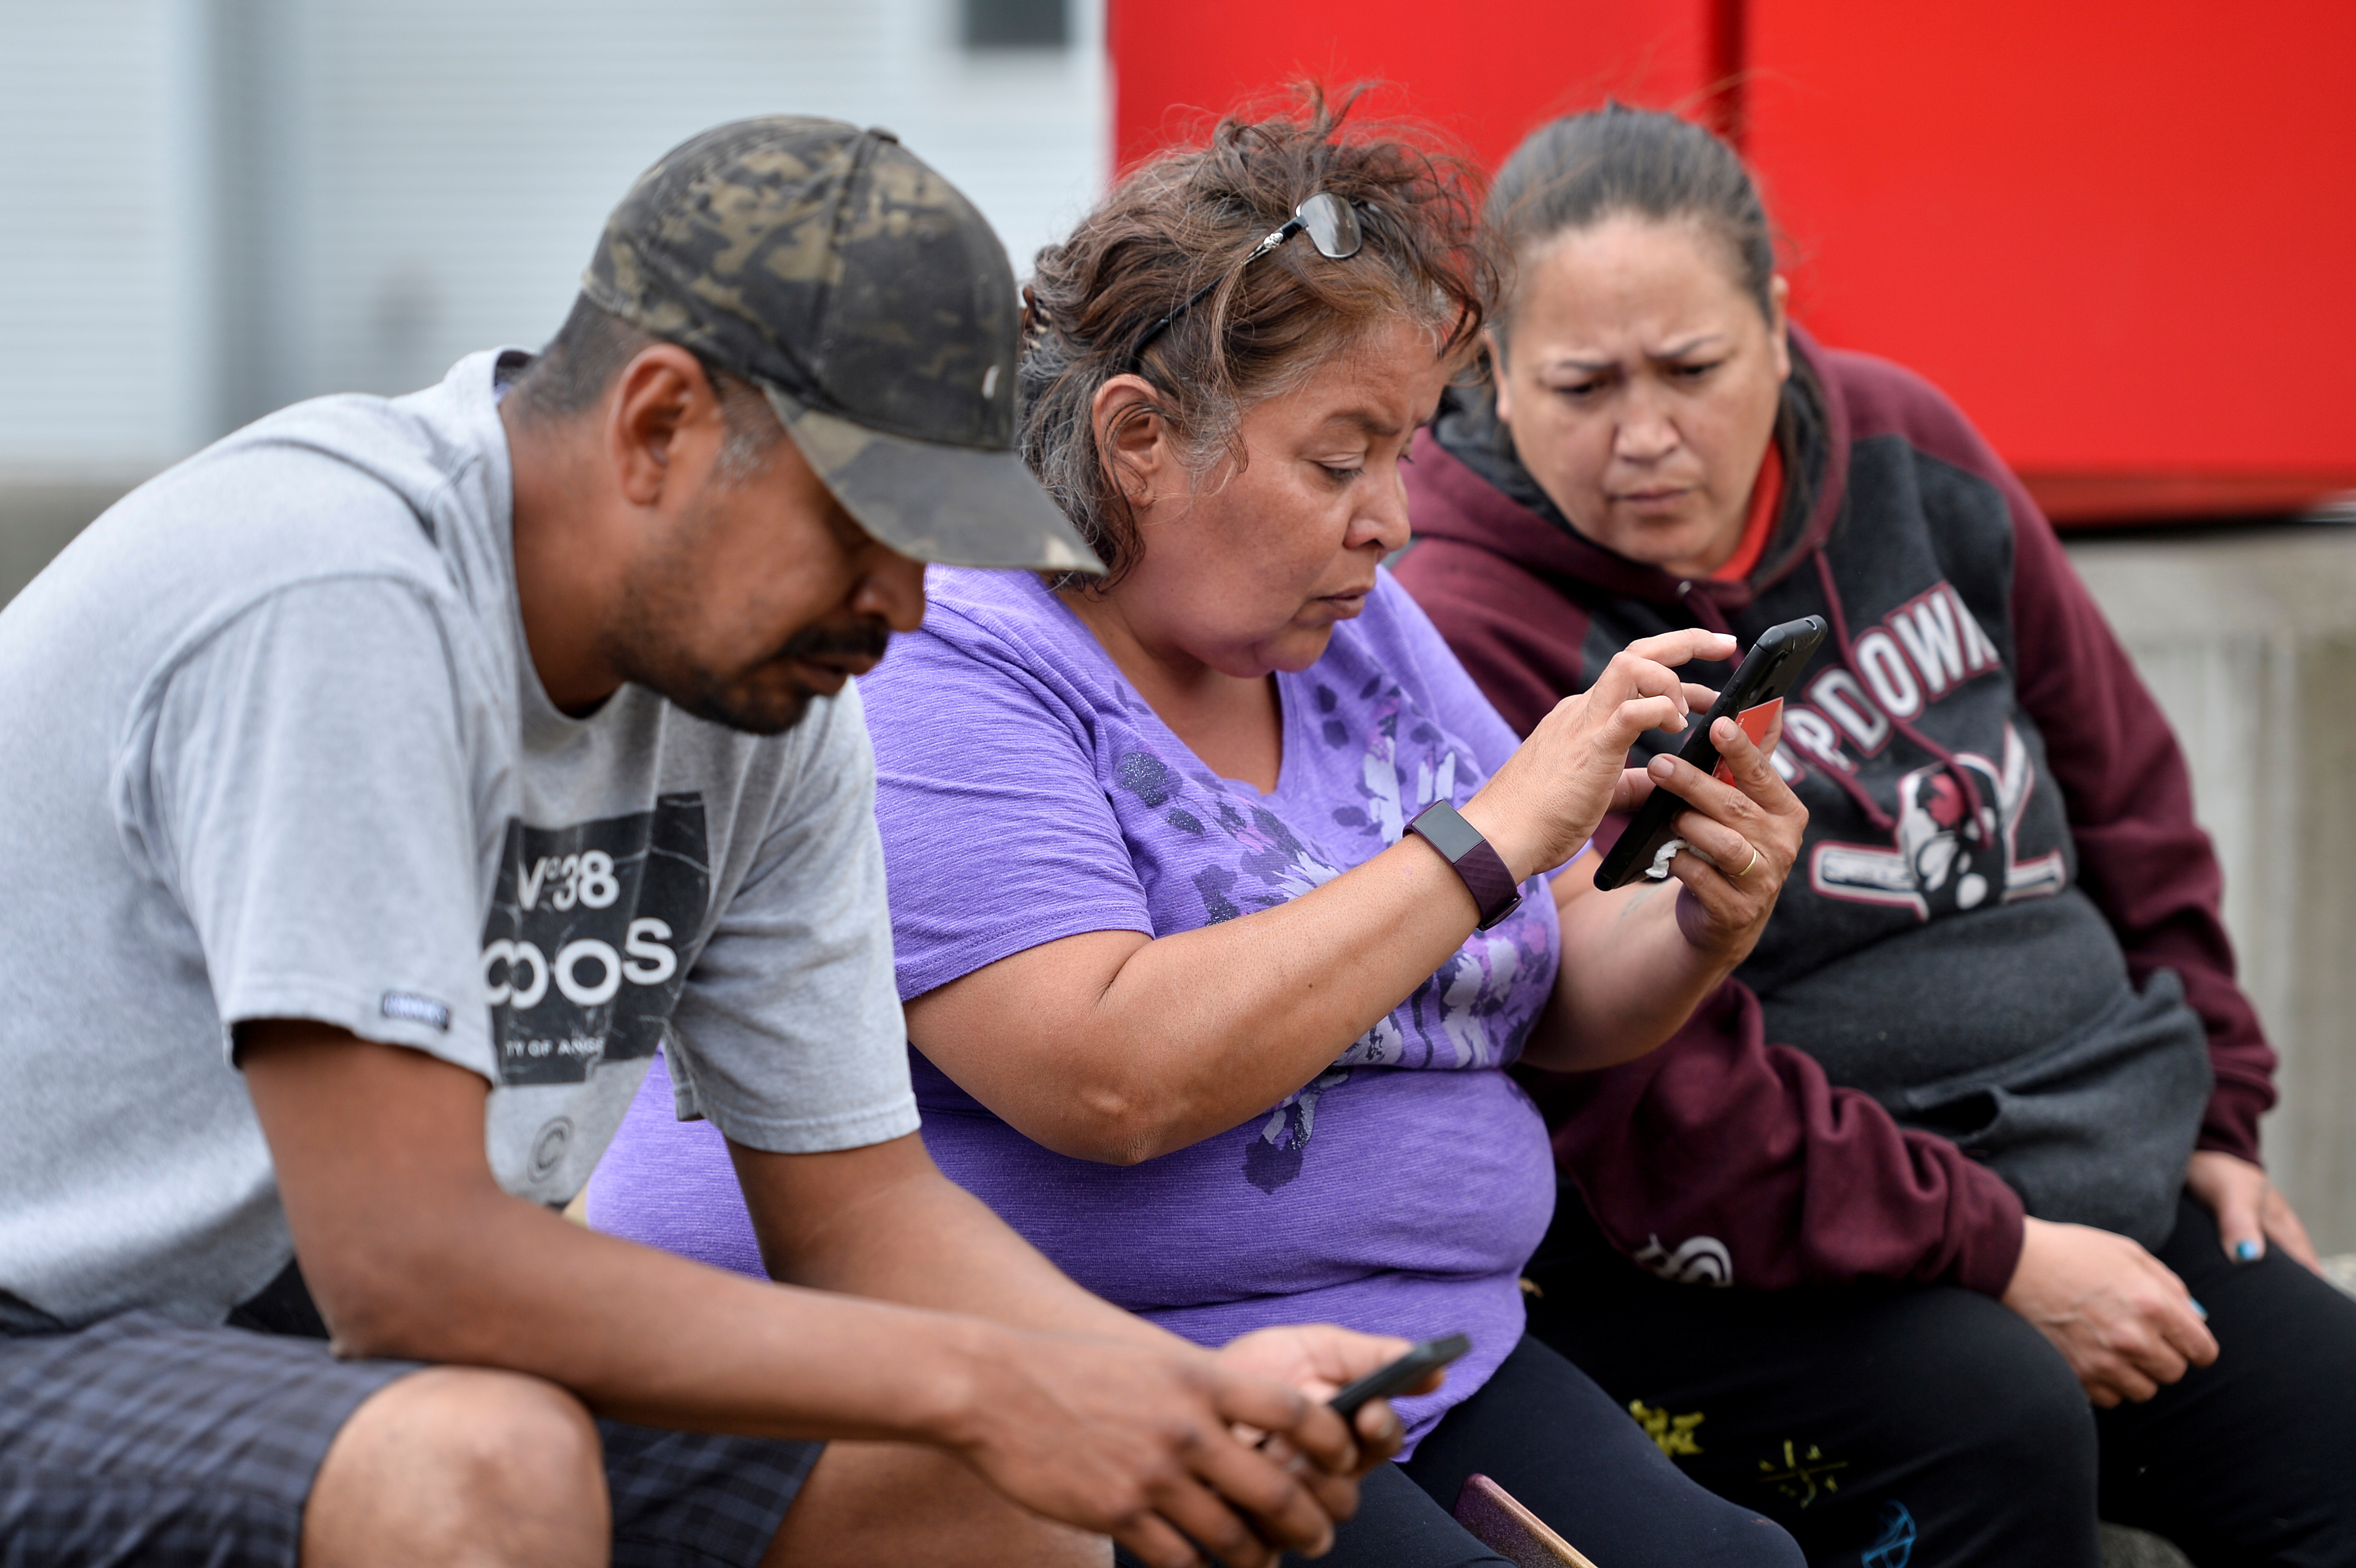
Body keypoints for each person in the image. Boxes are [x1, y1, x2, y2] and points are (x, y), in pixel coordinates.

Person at [0, 117, 1442, 1568]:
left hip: (351, 1373)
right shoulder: (335, 592)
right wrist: (1006, 1382)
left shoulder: (772, 699)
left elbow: (862, 1213)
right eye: (866, 527)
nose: (908, 606)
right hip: (50, 1335)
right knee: (481, 1469)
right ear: (658, 428)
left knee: (1002, 1494)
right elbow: (409, 1268)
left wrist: (1160, 1398)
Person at [591, 95, 1809, 1568]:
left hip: (1429, 1347)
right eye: (1339, 457)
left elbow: (1552, 980)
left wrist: (1695, 916)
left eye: (1408, 451)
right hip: (1125, 1375)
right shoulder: (944, 649)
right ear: (1140, 438)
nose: (1394, 519)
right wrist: (1484, 836)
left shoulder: (1349, 625)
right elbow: (1109, 1080)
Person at [1392, 103, 2356, 1566]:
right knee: (2001, 1422)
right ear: (1495, 377)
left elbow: (2133, 794)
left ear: (1777, 325)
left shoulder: (1908, 445)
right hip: (1799, 1250)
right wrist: (2005, 1253)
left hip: (2109, 1156)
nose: (1644, 433)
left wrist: (2221, 1111)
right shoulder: (1470, 622)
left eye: (1693, 368)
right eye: (1581, 384)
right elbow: (1647, 1089)